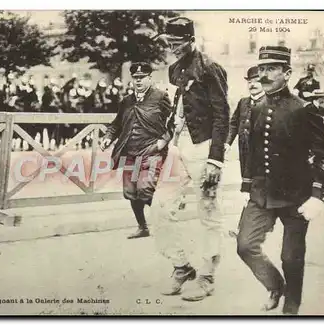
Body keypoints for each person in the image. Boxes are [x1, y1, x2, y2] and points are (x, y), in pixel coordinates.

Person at [236, 46, 324, 315]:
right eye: (261, 69)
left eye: (272, 69)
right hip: (261, 193)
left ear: (288, 73)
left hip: (296, 195)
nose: (264, 75)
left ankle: (291, 306)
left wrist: (317, 194)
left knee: (291, 257)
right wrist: (246, 185)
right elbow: (251, 151)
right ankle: (275, 285)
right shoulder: (255, 108)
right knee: (245, 245)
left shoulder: (304, 110)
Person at [151, 16, 230, 301]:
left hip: (204, 147)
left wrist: (216, 159)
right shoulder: (173, 70)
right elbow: (176, 109)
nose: (172, 46)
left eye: (178, 41)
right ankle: (181, 266)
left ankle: (207, 276)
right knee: (159, 208)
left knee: (209, 212)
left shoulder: (210, 68)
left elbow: (223, 115)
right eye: (169, 41)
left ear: (191, 39)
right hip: (177, 148)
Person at [100, 62, 173, 239]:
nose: (138, 81)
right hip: (130, 153)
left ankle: (166, 217)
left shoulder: (160, 97)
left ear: (150, 78)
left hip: (151, 152)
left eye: (142, 78)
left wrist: (163, 141)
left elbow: (174, 121)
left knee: (145, 189)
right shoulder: (126, 101)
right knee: (131, 193)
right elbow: (117, 124)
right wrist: (108, 137)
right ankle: (143, 227)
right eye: (135, 78)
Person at [225, 66, 266, 235]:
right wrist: (227, 143)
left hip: (262, 154)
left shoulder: (268, 103)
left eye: (256, 81)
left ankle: (244, 227)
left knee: (253, 189)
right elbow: (234, 123)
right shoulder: (243, 102)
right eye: (250, 81)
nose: (253, 84)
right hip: (244, 153)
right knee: (250, 188)